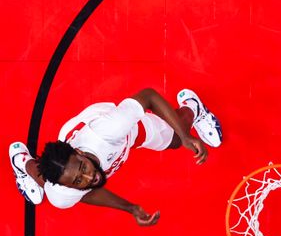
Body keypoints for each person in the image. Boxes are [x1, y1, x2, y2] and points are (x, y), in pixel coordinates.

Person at [8, 87, 222, 226]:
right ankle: (21, 160)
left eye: (83, 168)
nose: (89, 178)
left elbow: (148, 96)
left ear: (79, 153)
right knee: (46, 180)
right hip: (75, 162)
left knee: (175, 140)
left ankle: (193, 107)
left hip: (120, 132)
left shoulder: (112, 128)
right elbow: (85, 194)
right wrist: (130, 208)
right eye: (78, 181)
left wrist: (185, 137)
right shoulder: (62, 193)